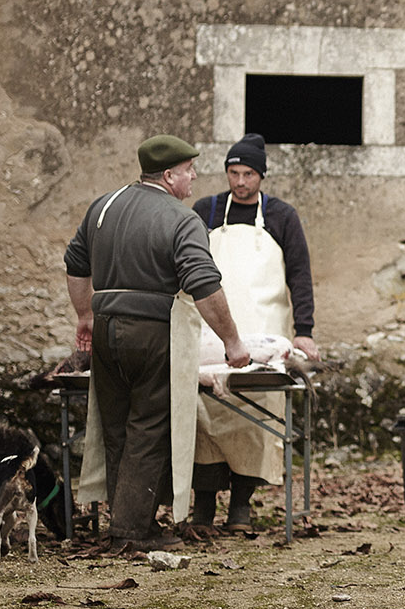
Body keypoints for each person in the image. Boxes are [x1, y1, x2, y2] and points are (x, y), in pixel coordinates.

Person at [65, 135, 250, 550]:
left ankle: (127, 521)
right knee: (149, 425)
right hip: (151, 333)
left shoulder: (103, 207)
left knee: (116, 426)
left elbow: (76, 264)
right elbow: (204, 284)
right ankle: (132, 531)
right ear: (169, 175)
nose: (195, 176)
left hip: (107, 330)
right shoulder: (181, 219)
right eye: (189, 170)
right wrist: (233, 341)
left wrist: (85, 317)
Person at [188, 133, 318, 533]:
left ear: (261, 175)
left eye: (248, 174)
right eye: (233, 172)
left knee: (255, 421)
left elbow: (299, 275)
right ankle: (204, 508)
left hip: (263, 337)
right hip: (211, 338)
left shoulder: (282, 216)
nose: (240, 181)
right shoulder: (205, 211)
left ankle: (241, 507)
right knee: (204, 418)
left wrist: (304, 331)